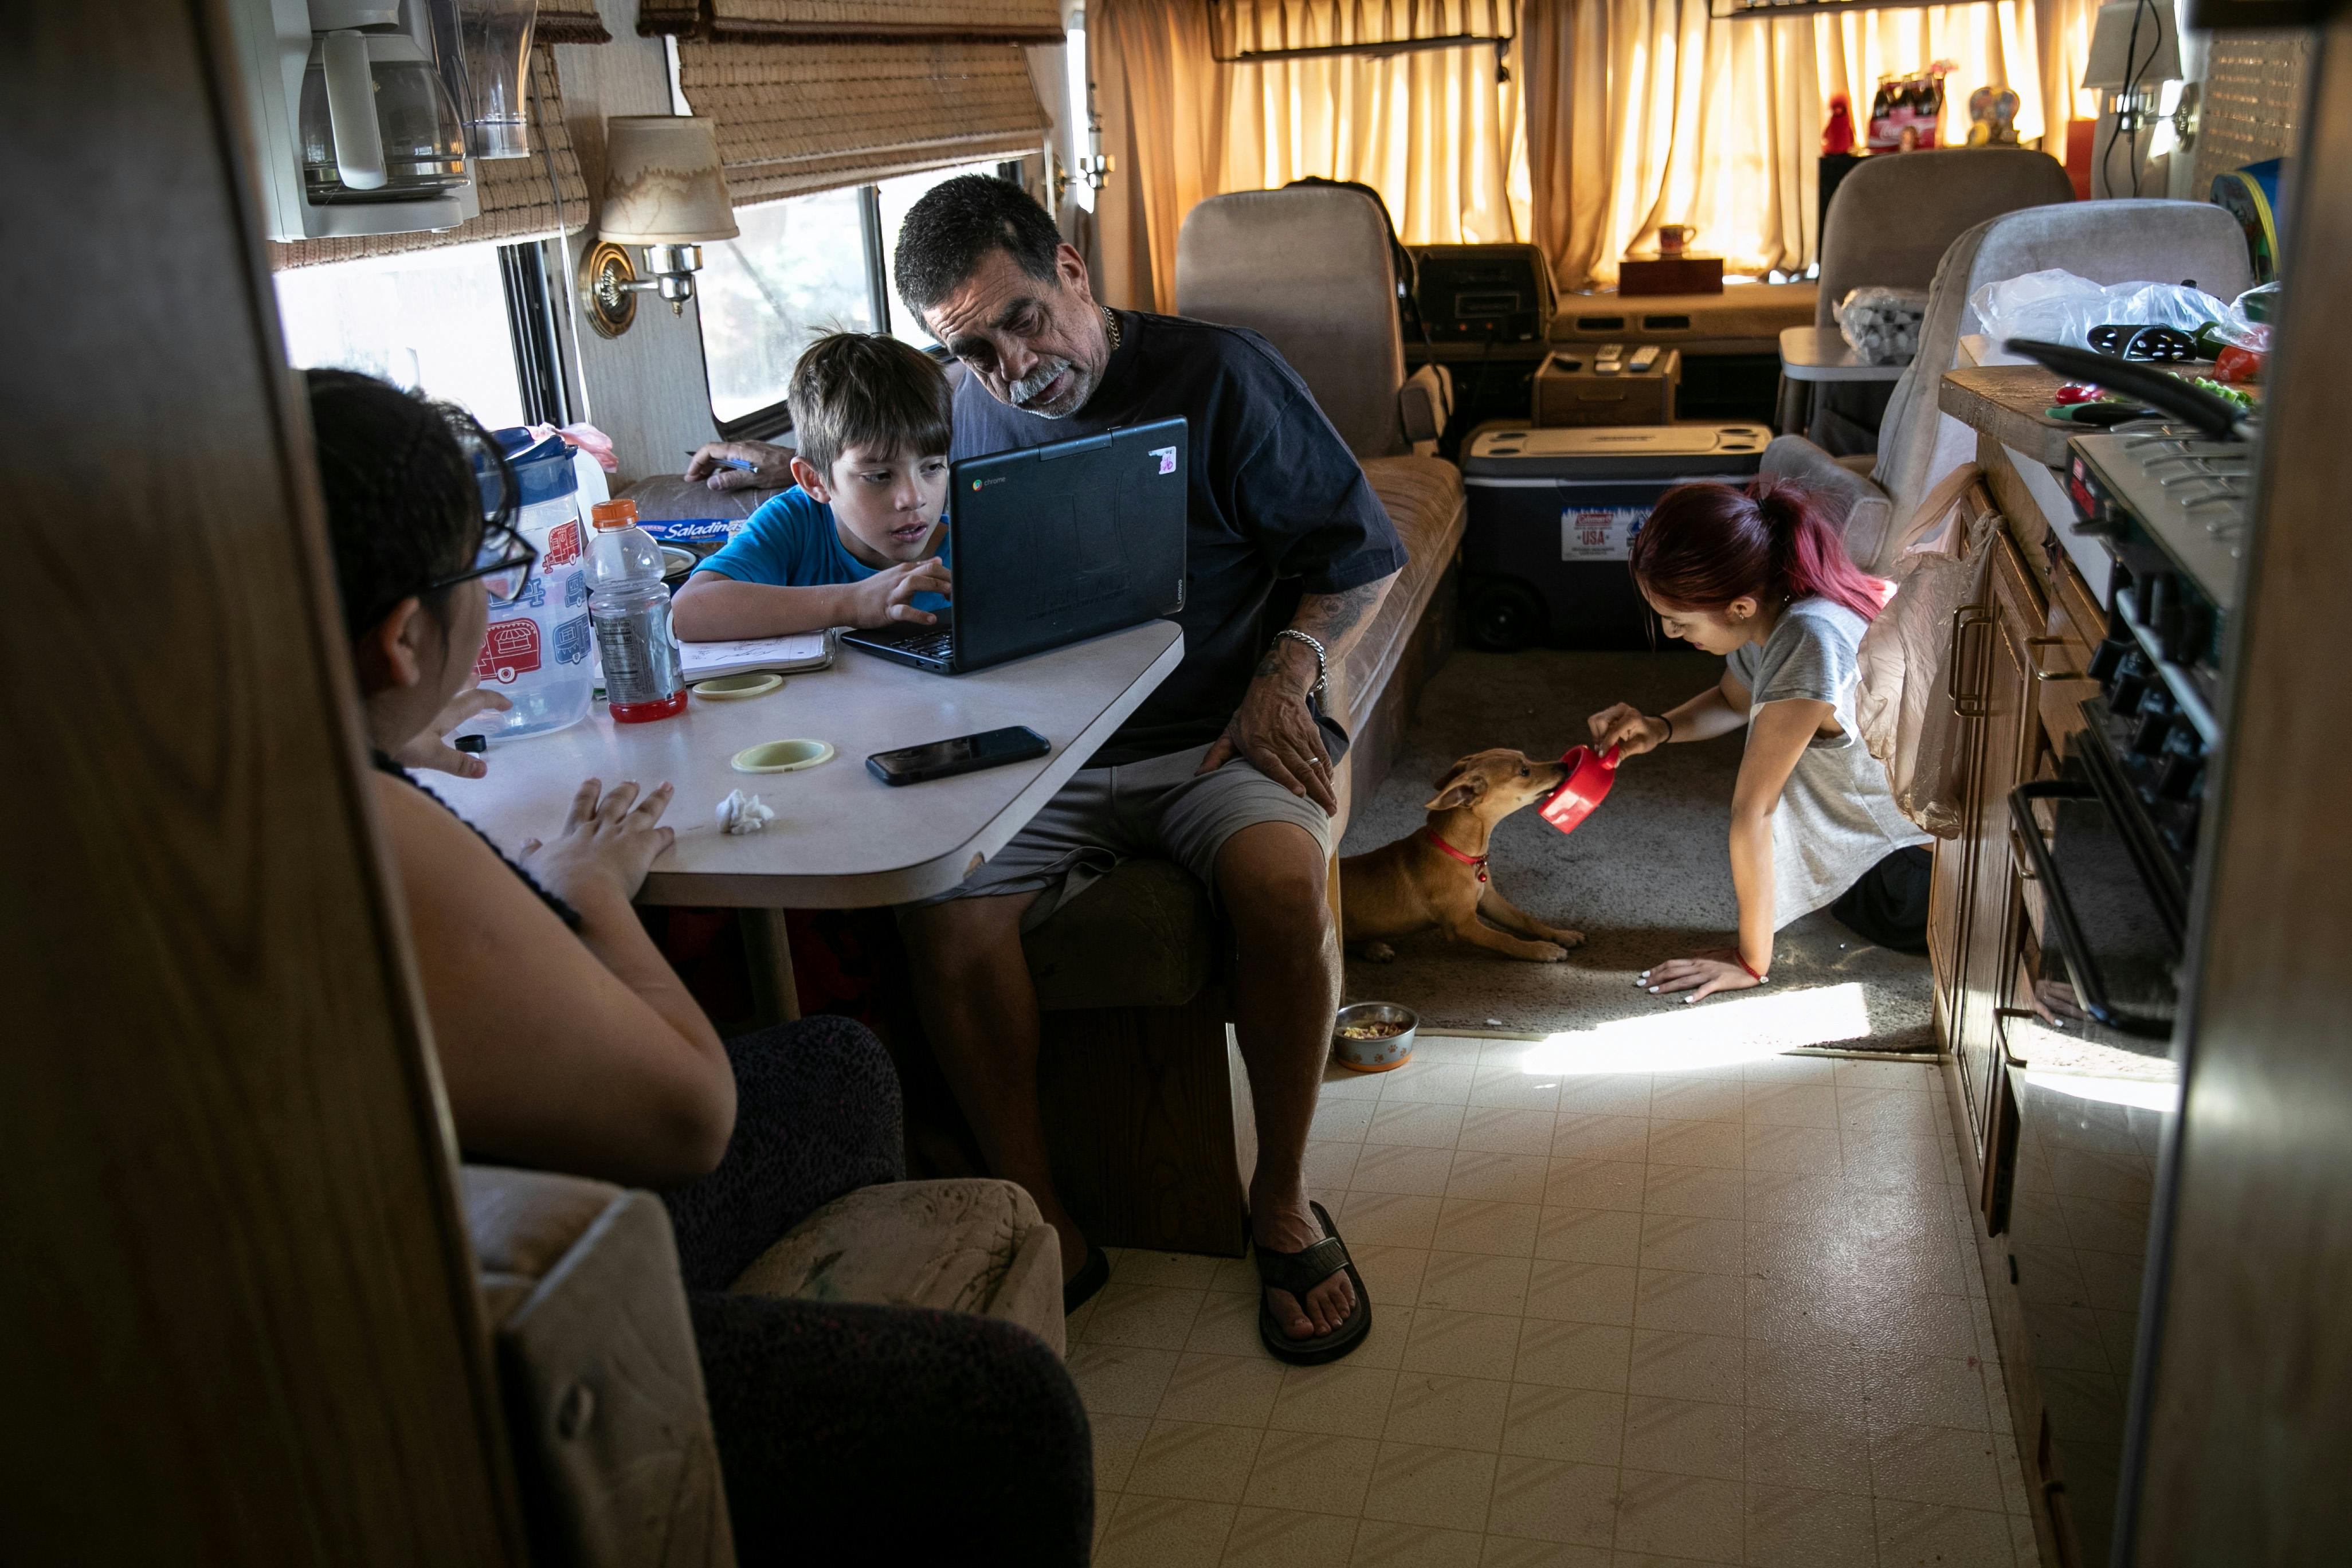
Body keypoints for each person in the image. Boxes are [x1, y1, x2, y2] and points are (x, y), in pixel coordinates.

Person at [306, 369, 1091, 1563]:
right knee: (1008, 1411)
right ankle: (777, 1382)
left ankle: (798, 1331)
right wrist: (594, 897)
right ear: (402, 637)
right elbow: (690, 1116)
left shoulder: (273, 767)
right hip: (479, 1309)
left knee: (839, 1066)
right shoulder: (374, 832)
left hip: (457, 1193)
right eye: (488, 573)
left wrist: (379, 724)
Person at [1587, 477, 1934, 1003]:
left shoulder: (1808, 639)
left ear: (1740, 608)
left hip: (1909, 882)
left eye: (1679, 624)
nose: (1677, 637)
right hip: (1903, 856)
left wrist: (1751, 960)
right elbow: (1732, 701)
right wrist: (1659, 728)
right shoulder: (1785, 600)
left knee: (1841, 896)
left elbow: (1754, 812)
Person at [672, 332, 953, 640]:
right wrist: (852, 603)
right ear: (815, 480)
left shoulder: (971, 542)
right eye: (879, 476)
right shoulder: (794, 524)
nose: (913, 498)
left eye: (932, 467)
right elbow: (686, 612)